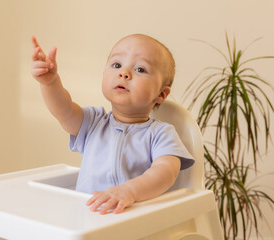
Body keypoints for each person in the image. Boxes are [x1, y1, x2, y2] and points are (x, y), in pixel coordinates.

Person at [30, 34, 194, 215]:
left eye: (140, 69)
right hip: (86, 218)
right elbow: (64, 110)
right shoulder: (93, 123)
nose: (124, 73)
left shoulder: (161, 134)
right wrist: (51, 83)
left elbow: (165, 172)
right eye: (117, 65)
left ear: (162, 94)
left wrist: (130, 191)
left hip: (131, 220)